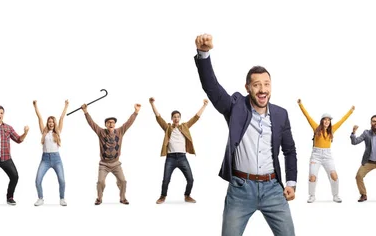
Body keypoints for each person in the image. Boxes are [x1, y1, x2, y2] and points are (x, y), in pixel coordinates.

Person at [194, 33, 297, 236]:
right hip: (240, 189)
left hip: (272, 189)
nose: (262, 89)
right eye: (257, 84)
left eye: (267, 84)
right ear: (248, 87)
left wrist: (291, 182)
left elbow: (290, 150)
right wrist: (204, 54)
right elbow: (212, 88)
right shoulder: (236, 107)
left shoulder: (281, 114)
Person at [149, 97, 209, 204]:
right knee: (166, 180)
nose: (176, 118)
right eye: (174, 117)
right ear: (172, 118)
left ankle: (187, 196)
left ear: (180, 118)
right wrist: (152, 103)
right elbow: (158, 117)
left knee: (190, 179)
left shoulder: (185, 126)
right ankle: (162, 196)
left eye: (178, 116)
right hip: (170, 158)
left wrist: (204, 105)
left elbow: (196, 118)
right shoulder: (167, 128)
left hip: (182, 157)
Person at [81, 102, 140, 205]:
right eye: (108, 122)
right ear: (106, 125)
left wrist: (136, 112)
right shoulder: (101, 132)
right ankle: (99, 198)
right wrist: (86, 112)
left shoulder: (120, 131)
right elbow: (92, 123)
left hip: (116, 164)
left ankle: (122, 198)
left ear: (115, 124)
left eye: (113, 122)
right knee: (100, 182)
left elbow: (129, 122)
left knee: (123, 181)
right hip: (104, 164)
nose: (111, 124)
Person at [297, 98, 354, 203]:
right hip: (316, 155)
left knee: (334, 176)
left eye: (329, 120)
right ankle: (312, 196)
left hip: (327, 155)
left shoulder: (332, 130)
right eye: (325, 119)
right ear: (322, 121)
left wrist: (350, 111)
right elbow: (307, 116)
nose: (327, 121)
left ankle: (336, 196)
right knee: (312, 177)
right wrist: (301, 105)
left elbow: (342, 120)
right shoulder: (316, 128)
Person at [32, 99, 69, 206]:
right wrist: (35, 106)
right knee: (37, 180)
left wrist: (66, 106)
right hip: (45, 159)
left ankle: (62, 198)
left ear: (54, 123)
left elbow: (62, 118)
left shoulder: (57, 132)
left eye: (53, 121)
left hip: (56, 159)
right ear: (48, 123)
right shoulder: (44, 132)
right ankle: (40, 198)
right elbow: (39, 118)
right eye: (49, 121)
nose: (51, 123)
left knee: (62, 180)